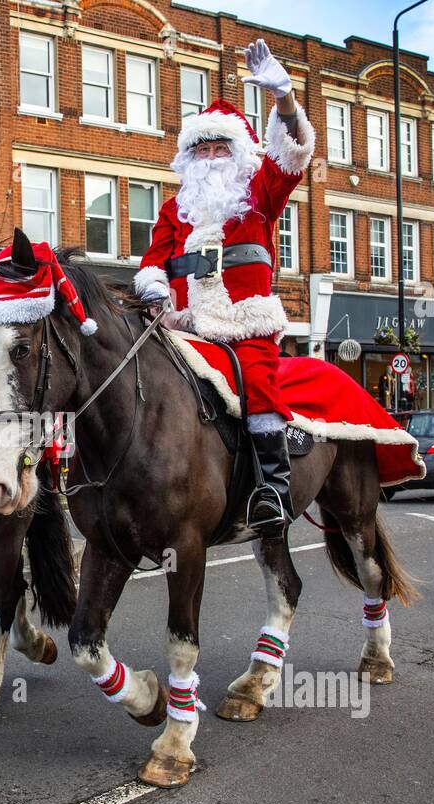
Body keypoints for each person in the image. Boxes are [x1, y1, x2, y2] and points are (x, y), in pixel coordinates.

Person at [134, 39, 315, 536]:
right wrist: (155, 293)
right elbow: (154, 259)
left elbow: (292, 155)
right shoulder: (176, 208)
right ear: (188, 158)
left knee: (258, 384)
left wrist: (284, 100)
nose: (211, 157)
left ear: (238, 153)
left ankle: (272, 491)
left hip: (243, 322)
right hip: (183, 325)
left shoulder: (259, 193)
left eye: (220, 148)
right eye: (202, 148)